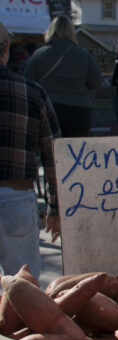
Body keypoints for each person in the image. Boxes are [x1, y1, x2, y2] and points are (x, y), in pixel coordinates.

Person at [0, 21, 61, 278]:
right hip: (16, 196)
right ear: (5, 49)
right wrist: (56, 207)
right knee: (24, 293)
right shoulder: (32, 93)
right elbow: (54, 155)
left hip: (18, 197)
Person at [23, 15, 103, 137]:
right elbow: (96, 83)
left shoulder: (39, 55)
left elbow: (28, 84)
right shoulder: (84, 55)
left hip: (49, 108)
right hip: (79, 110)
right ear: (72, 32)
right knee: (76, 152)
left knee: (50, 151)